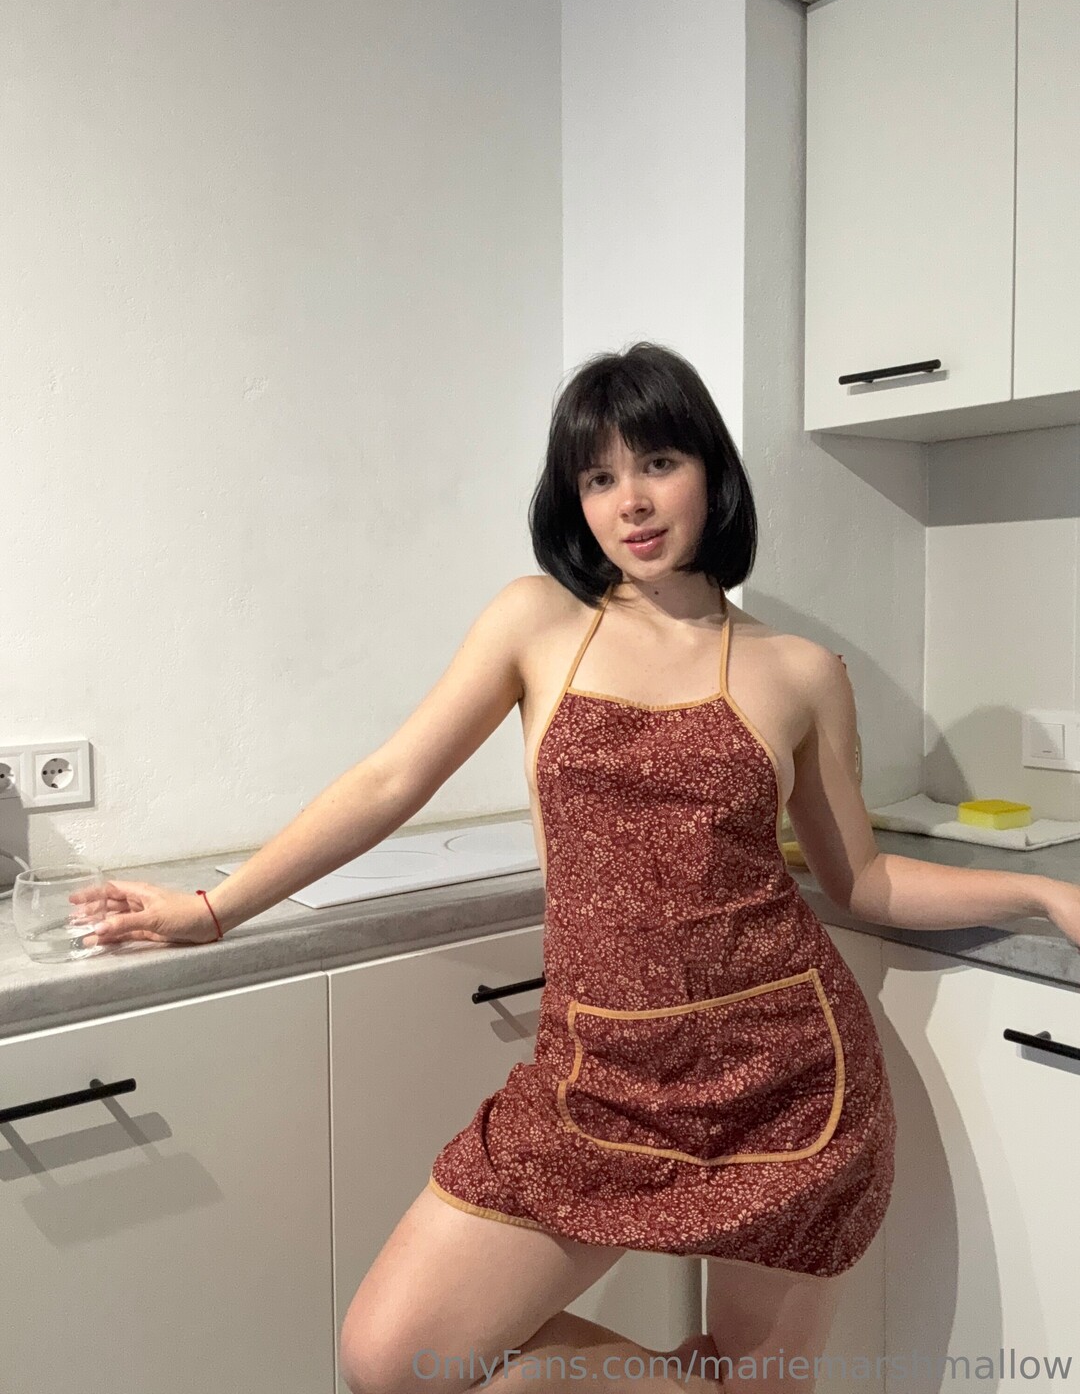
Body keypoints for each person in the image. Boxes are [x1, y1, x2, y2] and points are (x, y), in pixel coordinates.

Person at [70, 343, 1078, 1393]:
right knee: (391, 1360)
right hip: (597, 1075)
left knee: (765, 1376)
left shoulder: (800, 671)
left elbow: (861, 881)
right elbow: (389, 780)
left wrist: (1045, 891)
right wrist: (214, 908)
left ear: (712, 474)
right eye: (599, 477)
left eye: (658, 464)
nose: (629, 501)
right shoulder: (540, 621)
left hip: (785, 1075)